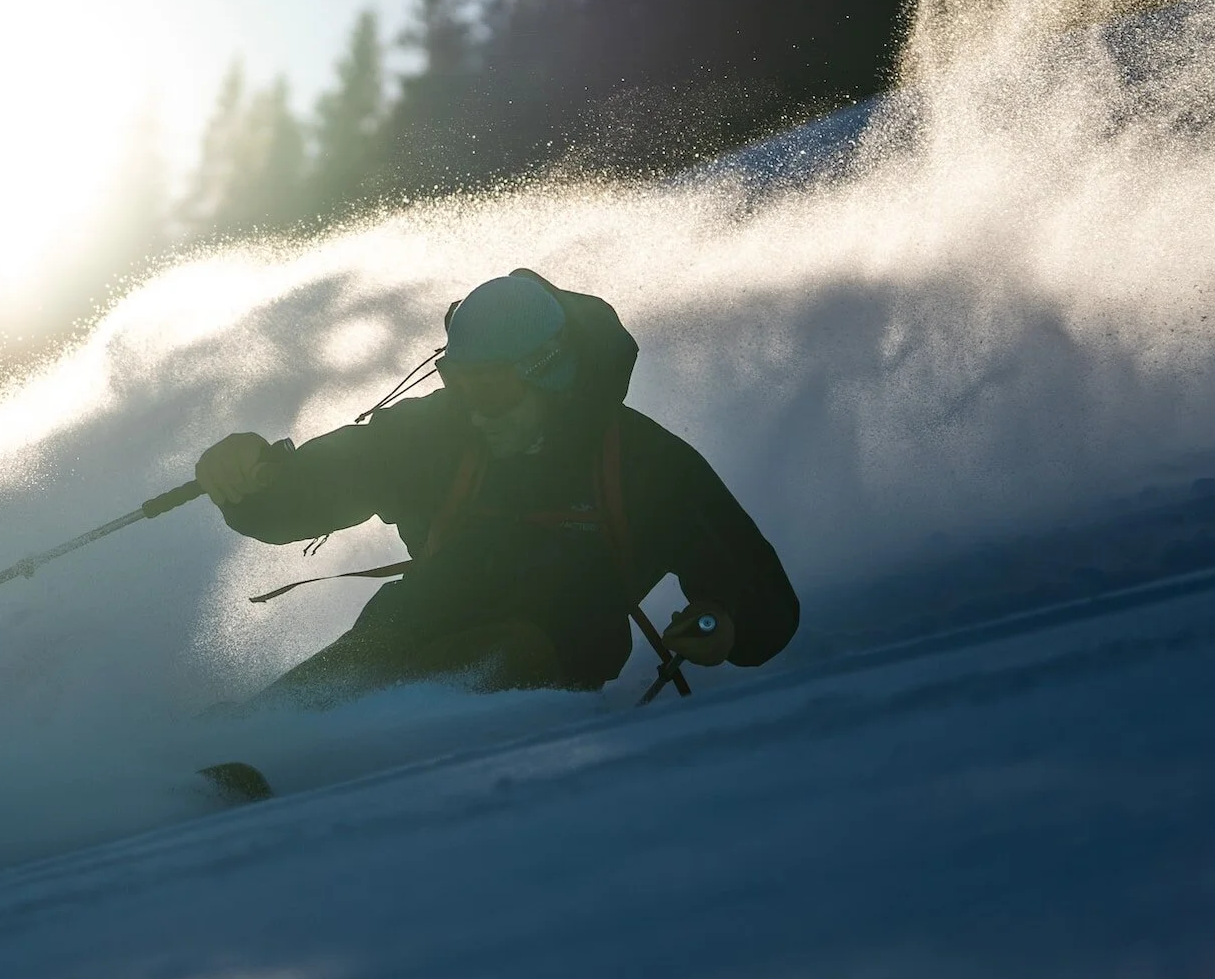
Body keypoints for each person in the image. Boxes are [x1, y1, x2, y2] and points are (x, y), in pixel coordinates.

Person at [195, 269, 798, 704]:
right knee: (317, 695)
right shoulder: (438, 433)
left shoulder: (645, 465)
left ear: (550, 374)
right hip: (407, 628)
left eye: (493, 389)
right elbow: (312, 490)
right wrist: (246, 482)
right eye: (459, 383)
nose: (476, 411)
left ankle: (332, 752)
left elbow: (760, 596)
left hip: (553, 658)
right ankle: (240, 757)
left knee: (493, 654)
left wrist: (724, 622)